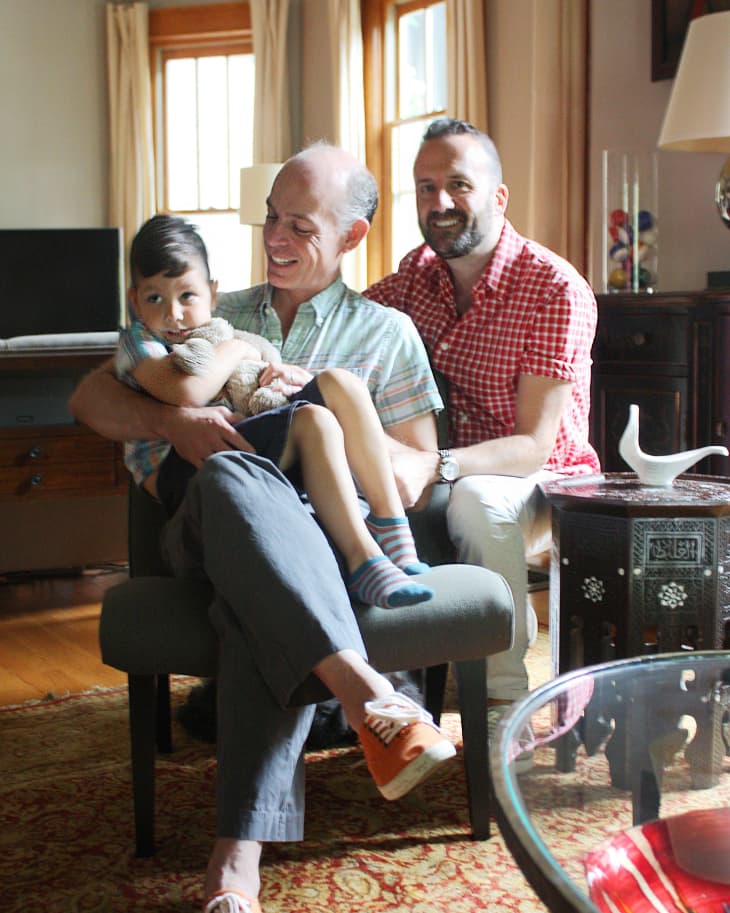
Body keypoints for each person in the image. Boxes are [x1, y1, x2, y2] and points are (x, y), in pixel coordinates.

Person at [69, 143, 453, 913]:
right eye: (270, 218)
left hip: (316, 543)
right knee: (235, 474)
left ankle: (236, 853)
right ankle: (369, 692)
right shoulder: (207, 306)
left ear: (352, 236)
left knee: (262, 587)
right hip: (207, 521)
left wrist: (336, 437)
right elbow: (91, 398)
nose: (273, 237)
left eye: (299, 225)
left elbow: (416, 468)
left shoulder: (387, 334)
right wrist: (178, 423)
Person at [365, 118, 600, 762]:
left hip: (548, 486)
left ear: (499, 197)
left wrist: (429, 464)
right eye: (425, 188)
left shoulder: (554, 287)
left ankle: (503, 704)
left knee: (475, 501)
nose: (439, 203)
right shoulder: (412, 280)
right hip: (447, 474)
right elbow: (343, 325)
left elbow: (531, 445)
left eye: (458, 185)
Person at [118, 213, 433, 609]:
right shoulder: (139, 340)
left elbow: (253, 389)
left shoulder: (219, 331)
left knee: (339, 384)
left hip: (239, 448)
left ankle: (389, 536)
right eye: (154, 298)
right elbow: (188, 390)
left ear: (212, 294)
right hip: (189, 474)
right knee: (312, 419)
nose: (173, 314)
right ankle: (363, 559)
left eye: (187, 296)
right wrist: (240, 351)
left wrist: (278, 380)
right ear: (134, 301)